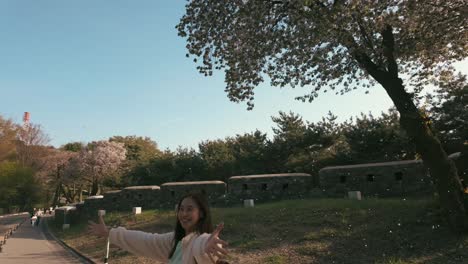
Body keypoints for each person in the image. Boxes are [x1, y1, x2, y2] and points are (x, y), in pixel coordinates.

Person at [88, 193, 229, 264]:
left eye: (190, 209)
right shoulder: (174, 241)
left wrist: (206, 246)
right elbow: (145, 240)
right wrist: (110, 233)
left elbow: (201, 247)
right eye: (181, 209)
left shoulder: (202, 240)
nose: (184, 214)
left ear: (201, 213)